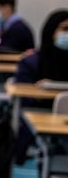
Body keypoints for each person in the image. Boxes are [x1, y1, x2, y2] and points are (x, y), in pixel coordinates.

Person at [12, 9, 68, 163]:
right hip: (41, 118)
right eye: (64, 29)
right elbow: (23, 101)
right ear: (50, 31)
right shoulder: (32, 62)